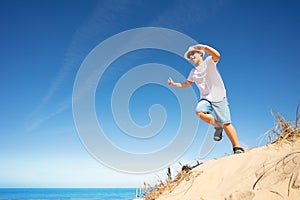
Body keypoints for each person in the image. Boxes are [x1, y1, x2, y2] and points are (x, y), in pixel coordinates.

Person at [168, 44, 244, 154]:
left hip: (218, 96)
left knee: (226, 123)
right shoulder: (193, 72)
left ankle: (236, 147)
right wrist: (173, 84)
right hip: (205, 98)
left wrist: (204, 47)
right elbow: (186, 84)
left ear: (200, 54)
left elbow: (217, 55)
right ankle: (217, 126)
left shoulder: (209, 61)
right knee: (199, 112)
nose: (191, 57)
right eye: (190, 56)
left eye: (193, 53)